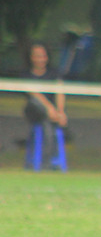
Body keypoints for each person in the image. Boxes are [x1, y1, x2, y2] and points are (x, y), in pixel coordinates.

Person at [22, 41, 68, 171]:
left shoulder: (54, 74)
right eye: (37, 56)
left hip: (52, 115)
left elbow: (60, 92)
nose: (40, 59)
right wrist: (49, 108)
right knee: (36, 103)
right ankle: (48, 162)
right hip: (34, 111)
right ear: (31, 57)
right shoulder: (26, 75)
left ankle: (46, 163)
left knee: (47, 124)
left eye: (42, 56)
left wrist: (60, 111)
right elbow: (34, 94)